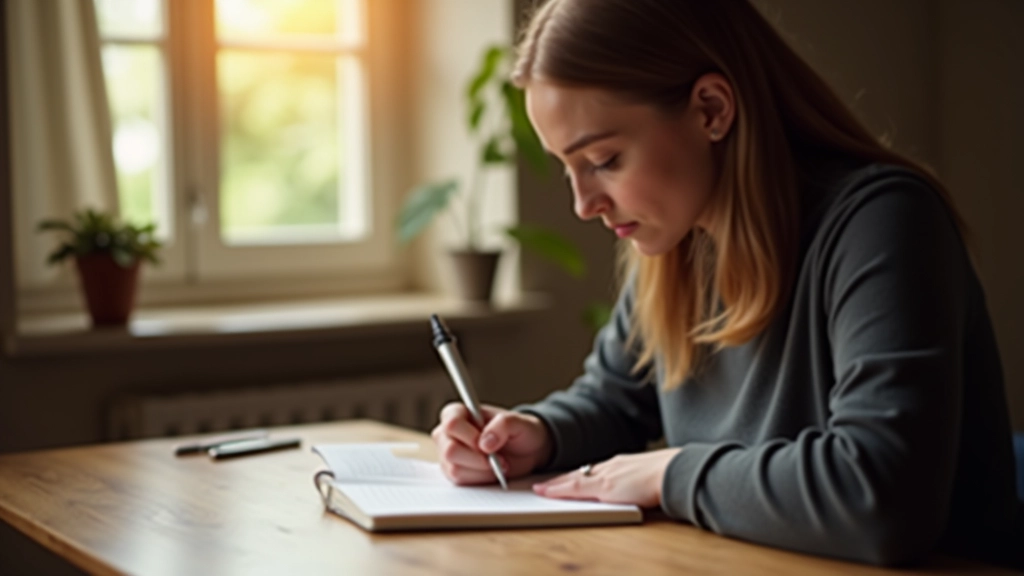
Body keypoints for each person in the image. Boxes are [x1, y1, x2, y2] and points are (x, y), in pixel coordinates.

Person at [430, 0, 1022, 568]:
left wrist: (670, 473)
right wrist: (539, 434)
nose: (583, 204)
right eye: (568, 167)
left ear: (712, 109)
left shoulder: (884, 224)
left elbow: (881, 495)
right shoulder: (678, 243)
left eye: (605, 160)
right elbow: (614, 400)